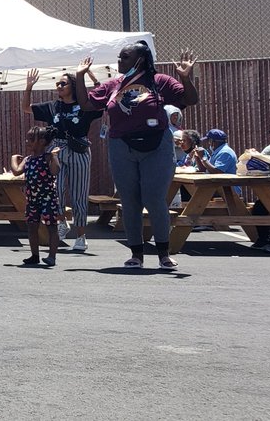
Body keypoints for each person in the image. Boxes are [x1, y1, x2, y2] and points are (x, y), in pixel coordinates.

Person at [74, 43, 198, 270]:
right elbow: (86, 103)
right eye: (119, 57)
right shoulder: (114, 85)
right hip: (121, 145)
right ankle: (136, 254)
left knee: (154, 199)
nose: (119, 61)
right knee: (130, 201)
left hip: (157, 145)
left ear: (140, 60)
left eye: (125, 57)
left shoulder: (160, 81)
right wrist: (79, 77)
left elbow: (190, 100)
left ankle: (163, 253)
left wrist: (185, 78)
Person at [22, 69, 103, 252]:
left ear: (73, 86)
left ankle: (81, 236)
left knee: (78, 194)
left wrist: (93, 78)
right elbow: (26, 108)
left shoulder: (85, 105)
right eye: (57, 83)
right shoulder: (53, 106)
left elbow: (103, 101)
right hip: (56, 150)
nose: (58, 86)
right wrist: (28, 87)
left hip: (79, 149)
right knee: (53, 190)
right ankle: (62, 222)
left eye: (63, 83)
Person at [10, 126, 62, 266]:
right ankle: (34, 255)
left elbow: (55, 171)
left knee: (51, 227)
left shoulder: (47, 157)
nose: (27, 141)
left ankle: (52, 256)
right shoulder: (27, 159)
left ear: (42, 142)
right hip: (32, 199)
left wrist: (54, 156)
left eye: (31, 139)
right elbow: (16, 171)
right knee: (32, 226)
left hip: (48, 198)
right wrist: (13, 159)